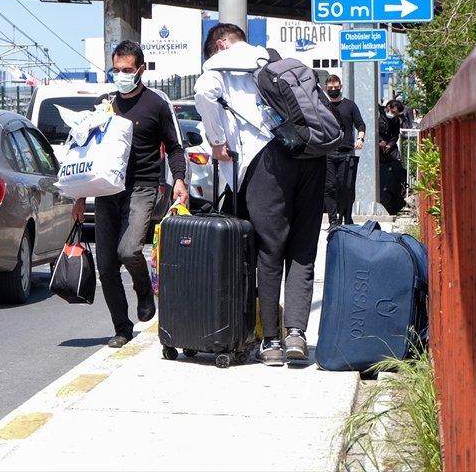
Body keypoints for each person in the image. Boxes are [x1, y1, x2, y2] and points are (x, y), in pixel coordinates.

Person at [193, 23, 326, 367]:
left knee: (269, 250)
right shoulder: (273, 58)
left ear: (219, 44)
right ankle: (296, 332)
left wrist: (218, 142)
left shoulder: (217, 68)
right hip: (310, 155)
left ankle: (270, 340)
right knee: (303, 248)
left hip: (266, 160)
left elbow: (205, 92)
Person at [72, 40, 188, 349]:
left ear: (141, 69)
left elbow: (175, 147)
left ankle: (143, 289)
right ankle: (122, 327)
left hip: (143, 187)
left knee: (128, 251)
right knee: (107, 265)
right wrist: (81, 197)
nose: (121, 75)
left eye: (127, 70)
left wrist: (180, 180)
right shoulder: (105, 102)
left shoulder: (157, 104)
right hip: (107, 190)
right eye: (116, 69)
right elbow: (89, 152)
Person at [322, 74, 366, 227]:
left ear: (340, 87)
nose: (333, 90)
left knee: (346, 187)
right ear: (326, 88)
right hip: (328, 153)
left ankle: (346, 218)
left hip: (346, 153)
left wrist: (360, 139)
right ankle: (333, 221)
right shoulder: (323, 106)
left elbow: (360, 124)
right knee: (329, 187)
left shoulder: (350, 105)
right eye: (330, 88)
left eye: (336, 87)